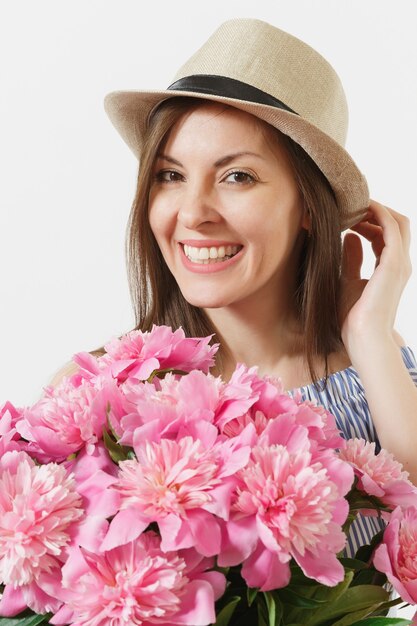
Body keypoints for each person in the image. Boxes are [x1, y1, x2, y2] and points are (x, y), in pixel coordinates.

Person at [55, 17, 417, 556]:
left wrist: (370, 336)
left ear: (309, 209)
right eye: (170, 175)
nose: (194, 214)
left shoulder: (385, 380)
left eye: (237, 177)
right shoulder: (97, 394)